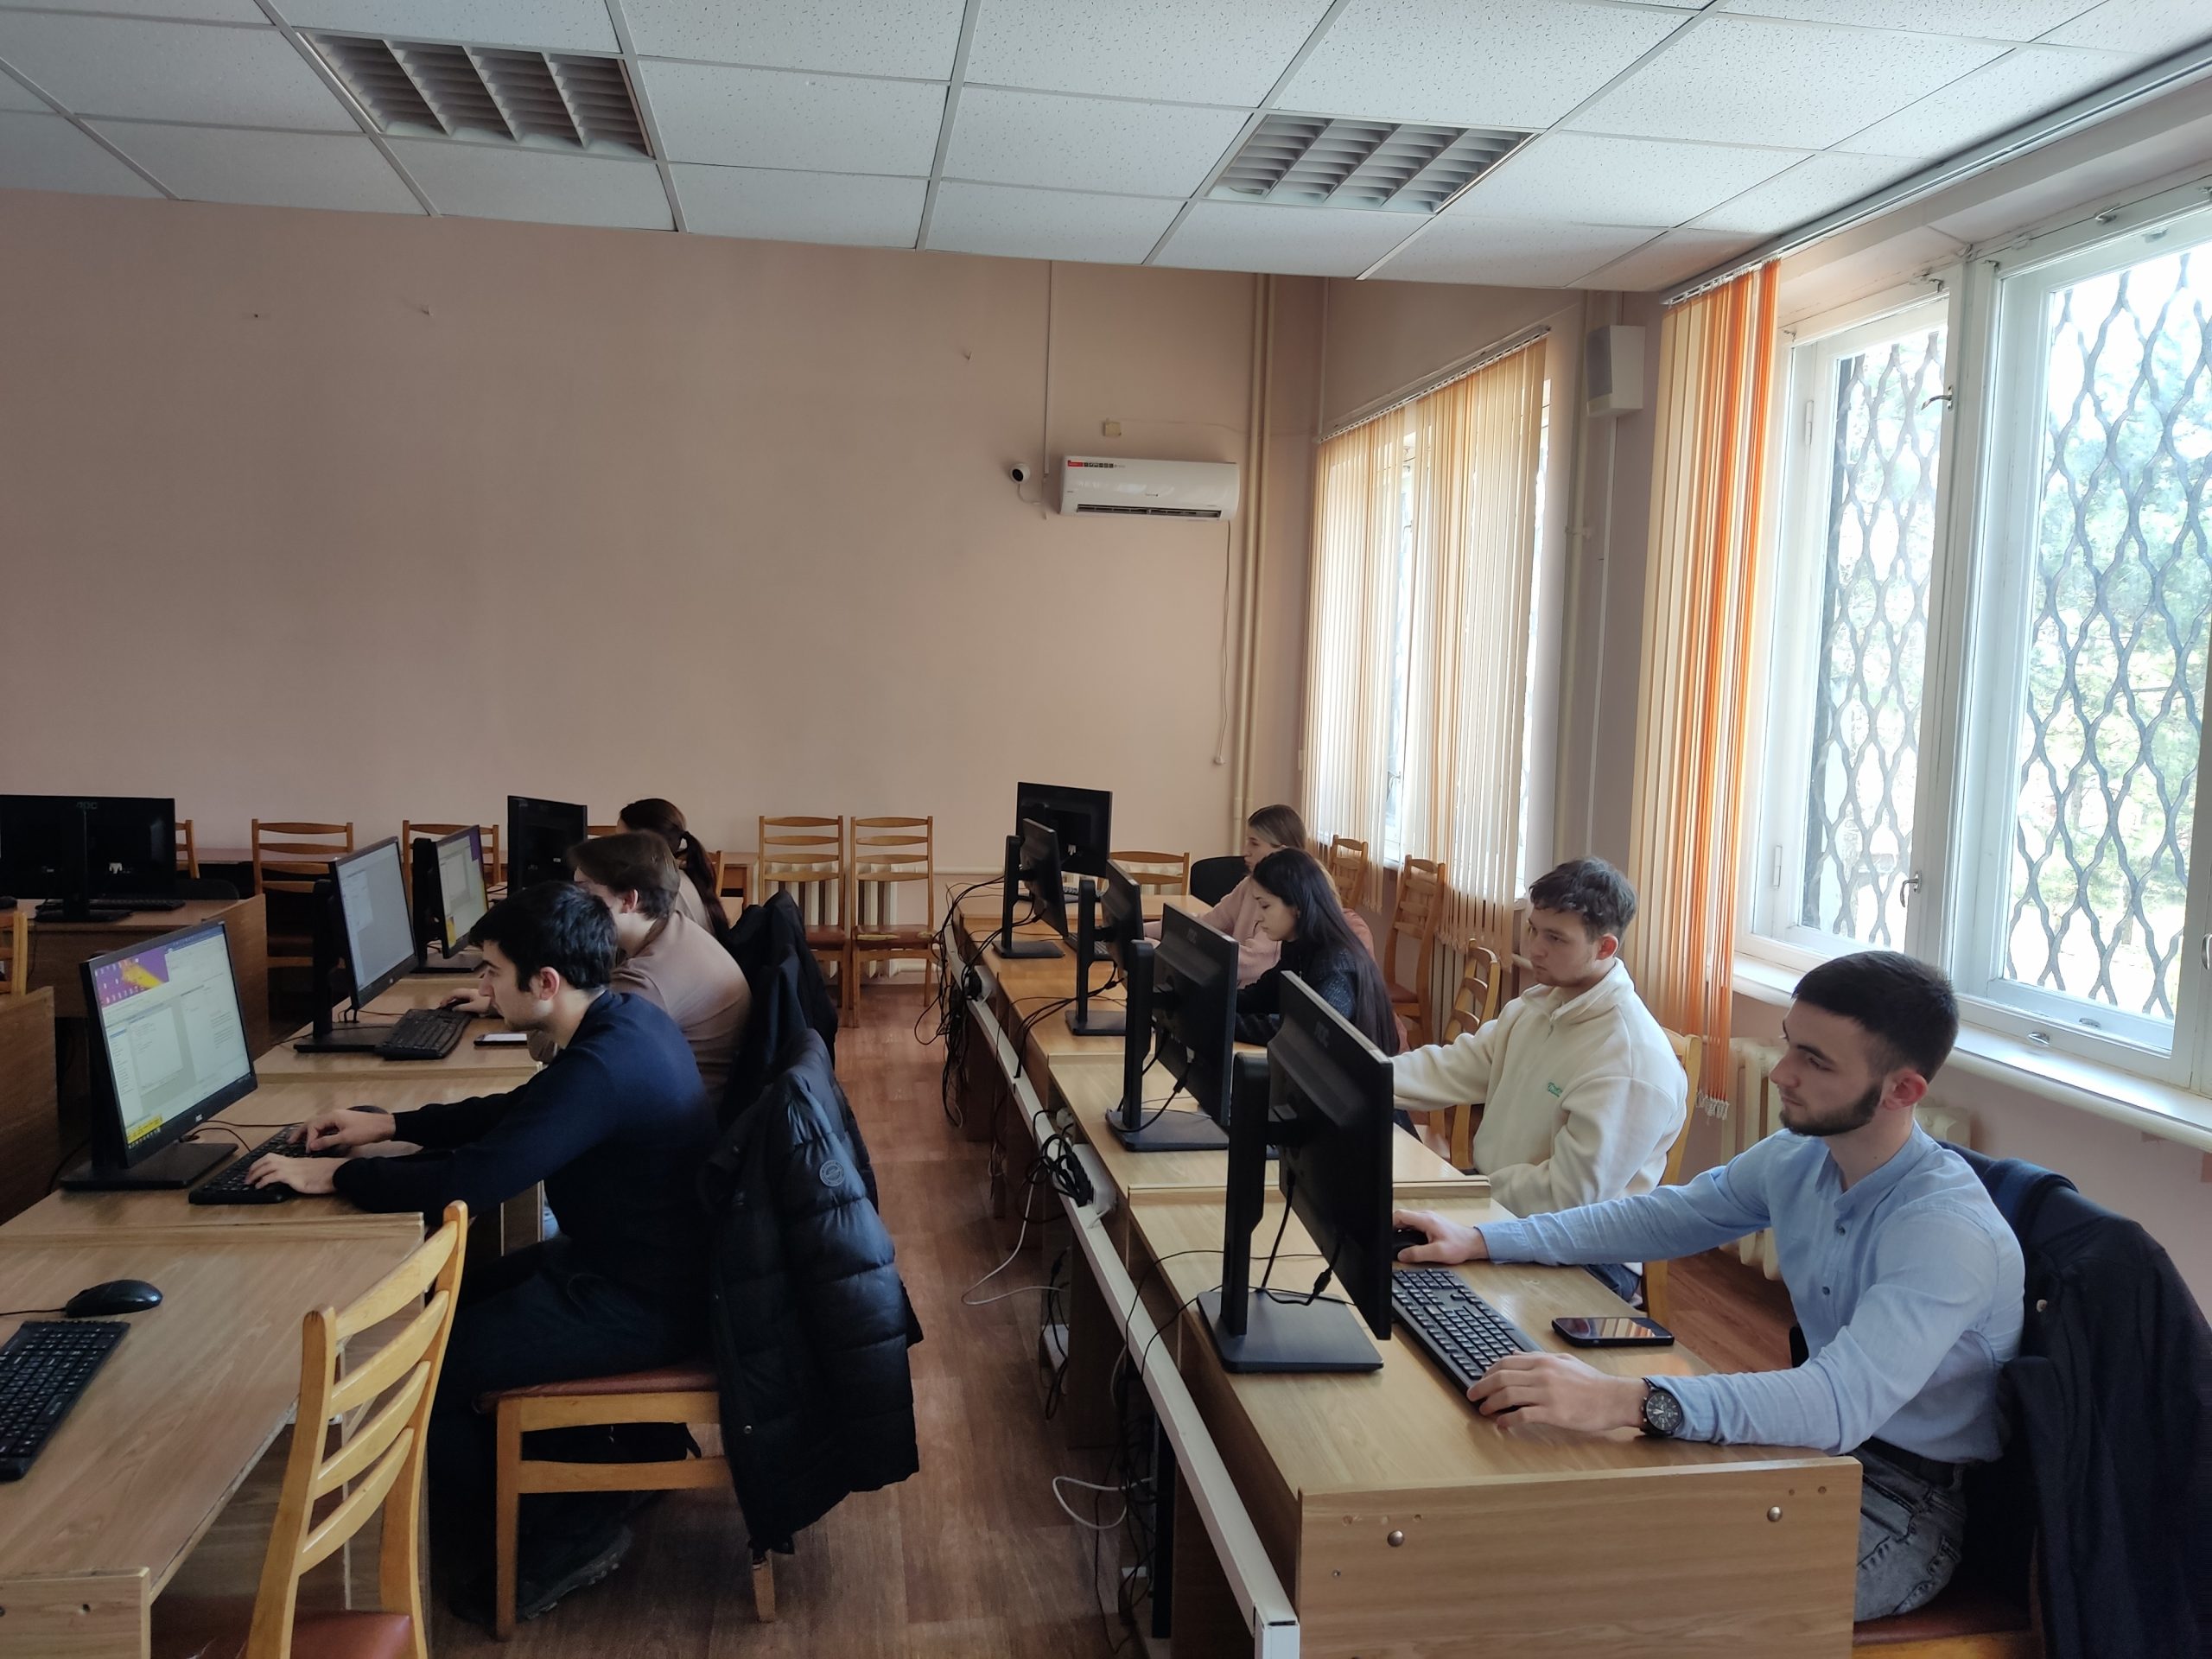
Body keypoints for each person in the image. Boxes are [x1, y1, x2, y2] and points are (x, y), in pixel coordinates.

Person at [1393, 951, 2024, 1623]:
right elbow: (1664, 1216)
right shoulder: (1803, 1156)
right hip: (1810, 1448)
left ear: (1902, 1091)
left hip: (1901, 1502)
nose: (1782, 1073)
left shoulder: (1945, 1232)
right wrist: (1484, 1239)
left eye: (1815, 1061)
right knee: (1562, 1527)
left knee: (1637, 1602)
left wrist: (1623, 1399)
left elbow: (1837, 1402)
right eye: (1789, 1044)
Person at [247, 882, 717, 1625]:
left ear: (546, 982)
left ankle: (568, 1529)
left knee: (422, 1367)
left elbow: (473, 1181)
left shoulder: (601, 1067)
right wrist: (390, 1125)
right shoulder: (624, 1022)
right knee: (444, 1307)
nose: (483, 986)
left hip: (638, 1302)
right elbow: (520, 1113)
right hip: (626, 1269)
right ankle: (595, 1469)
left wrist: (335, 1176)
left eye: (493, 972)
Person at [1389, 856, 1684, 1299]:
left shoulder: (1631, 1061)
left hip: (1584, 1253)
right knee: (1369, 1231)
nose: (1535, 949)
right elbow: (1455, 1066)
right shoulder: (1543, 1002)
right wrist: (1363, 1072)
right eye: (1533, 930)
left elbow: (1566, 1198)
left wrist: (1462, 1194)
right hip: (1500, 1203)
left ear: (1605, 948)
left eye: (1555, 938)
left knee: (1404, 1282)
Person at [442, 833, 751, 1099]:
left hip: (681, 1122)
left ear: (628, 900)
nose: (572, 900)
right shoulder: (668, 930)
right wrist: (499, 997)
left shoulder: (646, 980)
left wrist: (529, 998)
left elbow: (554, 1049)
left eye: (584, 890)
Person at [1150, 804, 1373, 987]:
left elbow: (1252, 964)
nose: (1245, 851)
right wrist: (1143, 930)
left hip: (1254, 998)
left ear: (1281, 851)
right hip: (1247, 994)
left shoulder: (1289, 908)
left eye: (1254, 843)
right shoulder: (1251, 885)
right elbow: (1209, 923)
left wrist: (1173, 952)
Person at [1232, 849, 1400, 1057]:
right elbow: (1262, 995)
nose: (1258, 916)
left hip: (1351, 1074)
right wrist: (1211, 1000)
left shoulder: (1337, 963)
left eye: (1265, 906)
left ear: (1297, 906)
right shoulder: (1299, 943)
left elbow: (1306, 1032)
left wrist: (1223, 1020)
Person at [618, 796, 728, 944]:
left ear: (645, 845)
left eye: (620, 840)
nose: (615, 849)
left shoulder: (662, 887)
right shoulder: (680, 875)